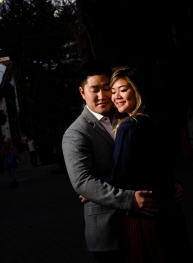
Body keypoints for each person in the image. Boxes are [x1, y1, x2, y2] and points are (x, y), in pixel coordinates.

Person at [62, 61, 160, 263]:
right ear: (82, 92)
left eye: (107, 88)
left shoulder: (129, 115)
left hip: (144, 223)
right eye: (94, 90)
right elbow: (82, 182)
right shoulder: (76, 133)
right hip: (109, 232)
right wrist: (128, 199)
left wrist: (171, 183)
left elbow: (152, 159)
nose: (102, 95)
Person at [107, 67, 193, 262]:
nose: (116, 97)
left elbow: (121, 175)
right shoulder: (160, 121)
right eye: (113, 91)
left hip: (146, 214)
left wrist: (93, 190)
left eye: (123, 89)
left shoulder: (130, 126)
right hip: (171, 211)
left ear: (137, 91)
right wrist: (174, 183)